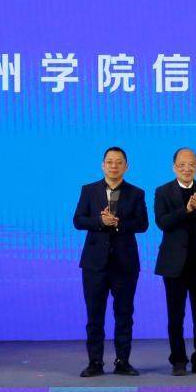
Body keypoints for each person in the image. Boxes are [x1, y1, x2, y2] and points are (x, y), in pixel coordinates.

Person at [73, 146, 149, 377]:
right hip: (94, 264)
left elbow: (142, 224)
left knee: (124, 314)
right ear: (102, 165)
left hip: (125, 264)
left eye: (118, 162)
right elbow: (78, 220)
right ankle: (95, 362)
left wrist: (117, 223)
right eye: (109, 162)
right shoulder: (88, 190)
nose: (113, 166)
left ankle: (122, 361)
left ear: (126, 166)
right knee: (94, 315)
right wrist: (100, 222)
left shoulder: (136, 193)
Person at [154, 148, 196, 376]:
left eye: (191, 164)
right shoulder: (163, 191)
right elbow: (162, 222)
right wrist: (186, 210)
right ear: (174, 167)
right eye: (182, 165)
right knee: (176, 315)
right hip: (174, 264)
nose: (187, 169)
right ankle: (178, 360)